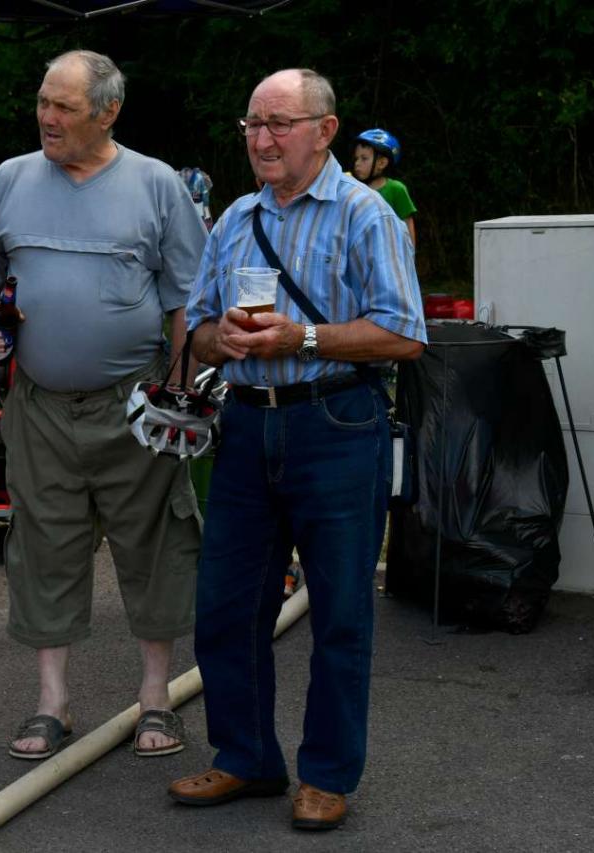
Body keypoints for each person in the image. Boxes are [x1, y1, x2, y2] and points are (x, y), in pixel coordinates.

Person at [169, 68, 426, 831]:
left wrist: (301, 337)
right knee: (226, 603)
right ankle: (246, 755)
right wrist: (221, 338)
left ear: (325, 130)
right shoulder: (234, 219)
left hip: (336, 420)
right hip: (248, 424)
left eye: (279, 123)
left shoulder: (365, 213)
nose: (263, 138)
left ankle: (327, 773)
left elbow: (405, 334)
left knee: (340, 608)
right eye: (253, 124)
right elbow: (197, 331)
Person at [0, 50, 207, 762]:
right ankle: (52, 702)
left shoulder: (156, 185)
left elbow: (190, 300)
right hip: (38, 407)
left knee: (154, 545)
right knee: (44, 547)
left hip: (136, 404)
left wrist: (183, 392)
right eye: (43, 102)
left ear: (108, 113)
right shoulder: (10, 179)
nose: (47, 117)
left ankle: (156, 697)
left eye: (64, 107)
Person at [351, 128, 416, 248]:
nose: (357, 163)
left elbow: (407, 225)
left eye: (364, 158)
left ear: (382, 163)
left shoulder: (396, 189)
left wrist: (410, 255)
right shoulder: (353, 189)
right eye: (356, 158)